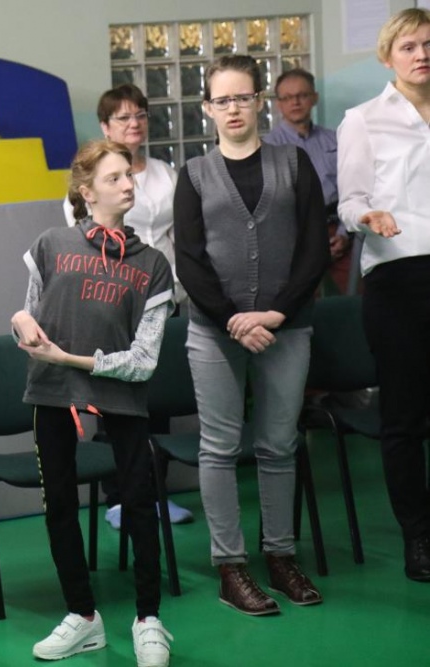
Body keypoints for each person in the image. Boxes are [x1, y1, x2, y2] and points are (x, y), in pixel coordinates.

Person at [174, 54, 329, 616]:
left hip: (288, 327)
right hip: (215, 332)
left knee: (278, 445)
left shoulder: (294, 163)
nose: (233, 108)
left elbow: (314, 248)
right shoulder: (194, 174)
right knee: (218, 448)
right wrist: (233, 320)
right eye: (223, 100)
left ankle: (281, 556)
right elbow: (189, 260)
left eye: (243, 97)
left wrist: (276, 314)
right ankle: (230, 567)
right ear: (207, 108)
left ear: (259, 102)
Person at [14, 140, 174, 667]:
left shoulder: (154, 265)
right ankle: (82, 617)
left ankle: (149, 620)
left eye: (129, 175)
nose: (128, 184)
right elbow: (29, 314)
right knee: (59, 505)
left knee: (139, 502)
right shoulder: (51, 244)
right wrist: (20, 322)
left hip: (120, 397)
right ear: (86, 191)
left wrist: (73, 359)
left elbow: (144, 361)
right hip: (51, 393)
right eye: (113, 178)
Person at [62, 83, 193, 531]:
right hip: (114, 305)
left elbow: (180, 237)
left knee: (159, 402)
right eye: (123, 117)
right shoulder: (90, 184)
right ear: (105, 126)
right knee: (115, 404)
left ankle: (155, 495)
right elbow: (84, 246)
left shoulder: (165, 174)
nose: (134, 123)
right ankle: (118, 498)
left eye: (139, 115)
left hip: (167, 299)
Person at [337, 7, 430, 582]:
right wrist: (367, 216)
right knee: (405, 417)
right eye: (410, 46)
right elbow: (349, 202)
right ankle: (419, 535)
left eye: (429, 44)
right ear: (388, 56)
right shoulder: (364, 120)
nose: (422, 54)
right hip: (398, 279)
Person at [264, 68, 353, 295]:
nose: (295, 102)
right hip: (295, 237)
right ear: (278, 104)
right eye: (287, 97)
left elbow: (352, 189)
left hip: (337, 229)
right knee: (302, 302)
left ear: (314, 98)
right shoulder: (268, 147)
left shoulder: (335, 139)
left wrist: (343, 234)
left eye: (302, 95)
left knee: (356, 298)